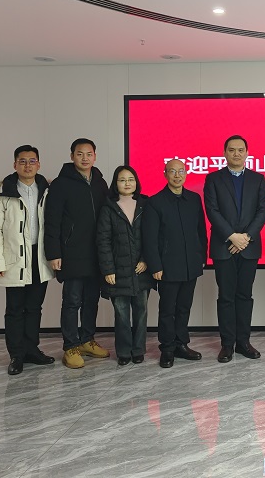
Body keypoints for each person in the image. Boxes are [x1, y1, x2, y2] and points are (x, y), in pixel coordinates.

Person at [0, 145, 55, 375]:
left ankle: (32, 349)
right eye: (22, 161)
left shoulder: (48, 190)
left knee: (34, 307)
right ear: (15, 165)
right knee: (15, 308)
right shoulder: (4, 192)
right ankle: (16, 354)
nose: (27, 165)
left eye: (32, 161)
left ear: (38, 164)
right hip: (14, 259)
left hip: (39, 258)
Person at [204, 135, 265, 363]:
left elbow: (263, 210)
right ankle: (227, 345)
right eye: (232, 150)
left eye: (241, 150)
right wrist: (232, 236)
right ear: (225, 153)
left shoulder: (258, 179)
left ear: (247, 153)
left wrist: (246, 237)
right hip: (223, 246)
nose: (236, 154)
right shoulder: (213, 179)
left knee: (244, 296)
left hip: (249, 248)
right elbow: (212, 210)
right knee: (226, 297)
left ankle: (243, 342)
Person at [44, 138, 110, 369]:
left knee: (91, 300)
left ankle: (87, 340)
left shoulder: (100, 182)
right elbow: (52, 221)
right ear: (72, 156)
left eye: (89, 154)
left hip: (96, 253)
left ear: (95, 156)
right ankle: (70, 345)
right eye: (80, 154)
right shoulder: (61, 184)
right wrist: (53, 253)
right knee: (72, 301)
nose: (85, 158)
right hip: (71, 252)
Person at [144, 159, 208, 368]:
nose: (177, 175)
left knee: (184, 307)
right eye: (173, 171)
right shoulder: (155, 202)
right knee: (167, 309)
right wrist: (155, 266)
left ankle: (181, 344)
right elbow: (150, 238)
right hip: (167, 266)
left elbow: (200, 231)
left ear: (186, 173)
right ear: (165, 174)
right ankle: (167, 348)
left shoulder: (194, 199)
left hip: (191, 264)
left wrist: (202, 257)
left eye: (181, 171)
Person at [97, 165, 151, 366]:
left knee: (141, 312)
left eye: (130, 179)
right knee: (121, 314)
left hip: (141, 270)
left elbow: (152, 236)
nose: (127, 183)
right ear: (115, 183)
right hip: (117, 272)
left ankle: (138, 350)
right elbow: (102, 241)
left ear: (136, 182)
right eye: (122, 180)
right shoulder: (108, 207)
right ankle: (124, 351)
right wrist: (108, 269)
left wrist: (146, 260)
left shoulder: (146, 204)